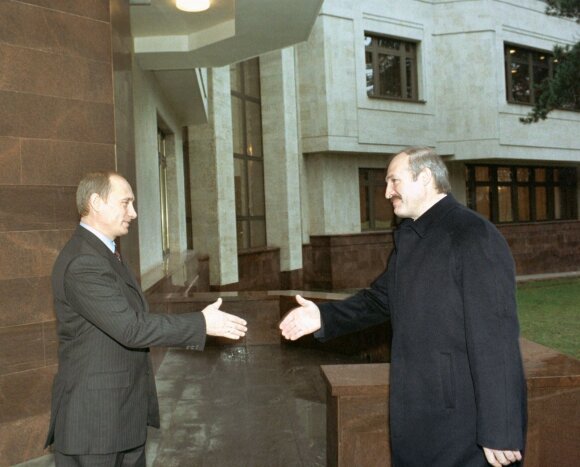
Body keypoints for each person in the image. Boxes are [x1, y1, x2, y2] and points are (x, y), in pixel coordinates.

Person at [280, 147, 527, 467]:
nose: (386, 192)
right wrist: (323, 316)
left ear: (425, 178)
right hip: (418, 408)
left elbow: (496, 333)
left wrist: (501, 427)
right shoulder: (412, 236)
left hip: (462, 419)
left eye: (394, 181)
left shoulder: (472, 234)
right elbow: (379, 299)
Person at [45, 171, 248, 466]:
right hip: (95, 425)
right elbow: (131, 328)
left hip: (121, 417)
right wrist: (200, 324)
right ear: (96, 203)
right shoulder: (83, 262)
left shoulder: (105, 252)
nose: (134, 213)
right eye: (126, 203)